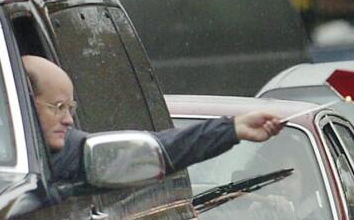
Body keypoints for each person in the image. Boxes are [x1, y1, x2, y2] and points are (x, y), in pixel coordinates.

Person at [21, 55, 283, 181]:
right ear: (24, 103)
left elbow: (160, 148)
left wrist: (233, 128)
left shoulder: (72, 152)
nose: (68, 120)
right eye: (58, 107)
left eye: (71, 108)